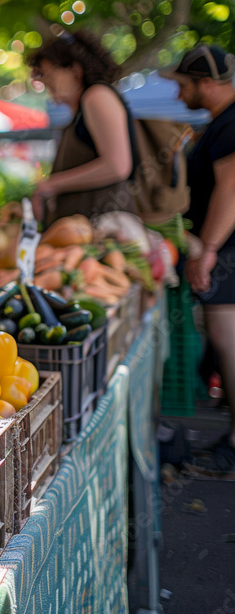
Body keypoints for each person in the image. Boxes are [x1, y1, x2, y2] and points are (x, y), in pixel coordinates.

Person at [165, 44, 235, 474]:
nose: (179, 95)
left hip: (227, 251)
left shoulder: (230, 125)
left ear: (206, 84)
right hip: (224, 250)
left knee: (229, 342)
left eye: (184, 85)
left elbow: (231, 191)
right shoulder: (220, 123)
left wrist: (207, 250)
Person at [28, 30, 138, 226]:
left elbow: (117, 166)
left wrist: (52, 184)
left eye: (48, 74)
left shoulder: (96, 96)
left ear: (75, 70)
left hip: (109, 230)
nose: (44, 82)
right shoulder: (82, 107)